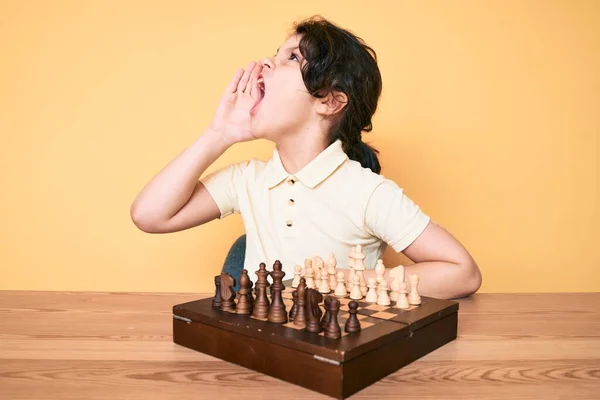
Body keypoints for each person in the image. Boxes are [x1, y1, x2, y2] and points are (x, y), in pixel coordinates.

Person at [130, 16, 482, 299]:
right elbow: (149, 216)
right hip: (261, 352)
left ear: (328, 101)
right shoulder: (246, 180)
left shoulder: (368, 193)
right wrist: (219, 134)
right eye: (277, 53)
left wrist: (345, 281)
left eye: (292, 57)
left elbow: (462, 273)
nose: (266, 61)